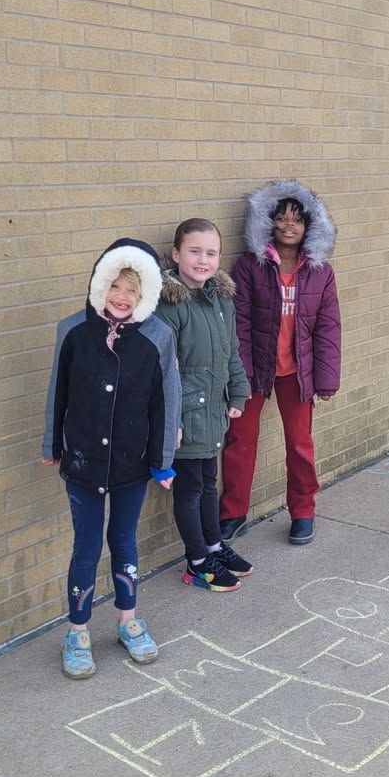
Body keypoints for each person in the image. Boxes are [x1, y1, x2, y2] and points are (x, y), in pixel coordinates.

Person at [42, 239, 180, 679]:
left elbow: (166, 403)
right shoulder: (74, 331)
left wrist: (162, 460)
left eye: (133, 292)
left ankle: (127, 621)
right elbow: (57, 394)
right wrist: (52, 445)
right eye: (115, 286)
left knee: (123, 541)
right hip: (82, 462)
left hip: (130, 463)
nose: (122, 297)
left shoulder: (158, 337)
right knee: (86, 546)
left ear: (146, 297)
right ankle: (77, 631)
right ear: (101, 284)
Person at [219, 180, 342, 545]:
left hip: (298, 373)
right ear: (269, 223)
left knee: (300, 443)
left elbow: (328, 328)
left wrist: (326, 379)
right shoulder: (249, 267)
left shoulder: (321, 273)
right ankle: (233, 512)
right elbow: (238, 323)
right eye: (282, 219)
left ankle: (303, 511)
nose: (289, 226)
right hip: (255, 370)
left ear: (309, 227)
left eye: (297, 220)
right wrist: (238, 374)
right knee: (240, 440)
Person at [156, 218, 253, 592]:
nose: (203, 260)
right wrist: (171, 420)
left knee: (209, 483)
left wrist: (238, 391)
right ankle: (196, 561)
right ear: (177, 254)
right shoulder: (170, 305)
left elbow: (231, 352)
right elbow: (165, 368)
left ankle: (213, 545)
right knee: (190, 488)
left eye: (211, 253)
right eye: (194, 251)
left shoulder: (220, 300)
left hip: (213, 408)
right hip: (183, 413)